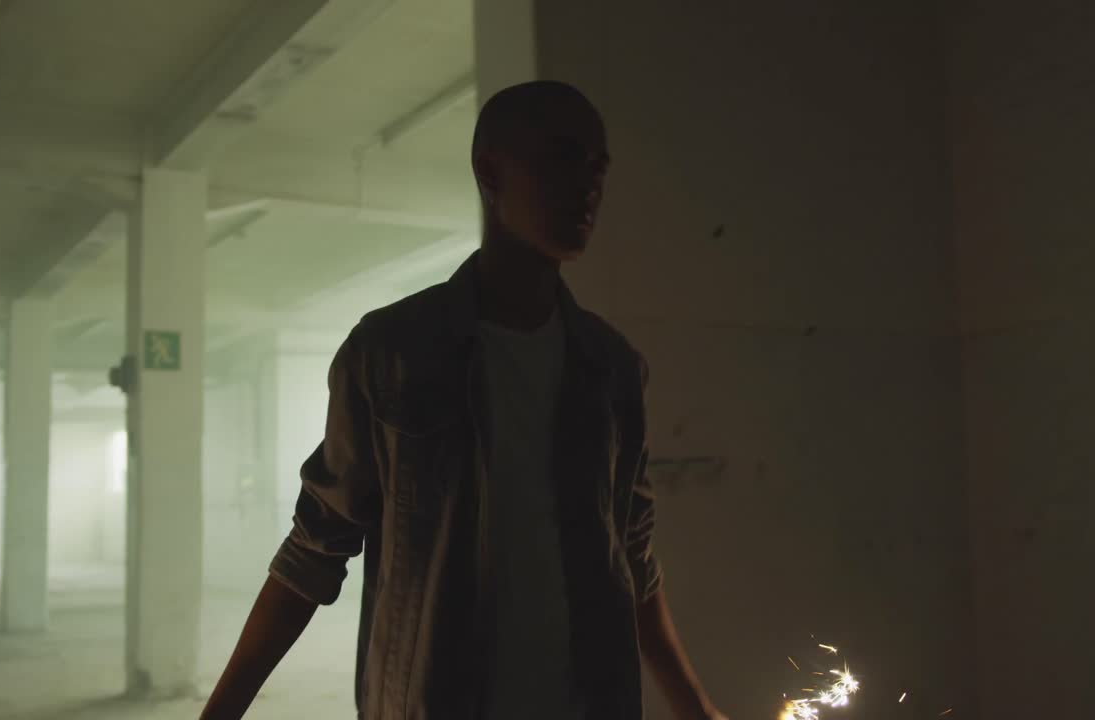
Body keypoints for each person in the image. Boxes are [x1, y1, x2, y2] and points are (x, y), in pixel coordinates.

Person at [201, 80, 726, 720]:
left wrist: (698, 710)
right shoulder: (393, 351)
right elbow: (314, 550)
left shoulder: (613, 369)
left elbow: (633, 559)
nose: (589, 185)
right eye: (563, 157)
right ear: (489, 171)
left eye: (598, 167)